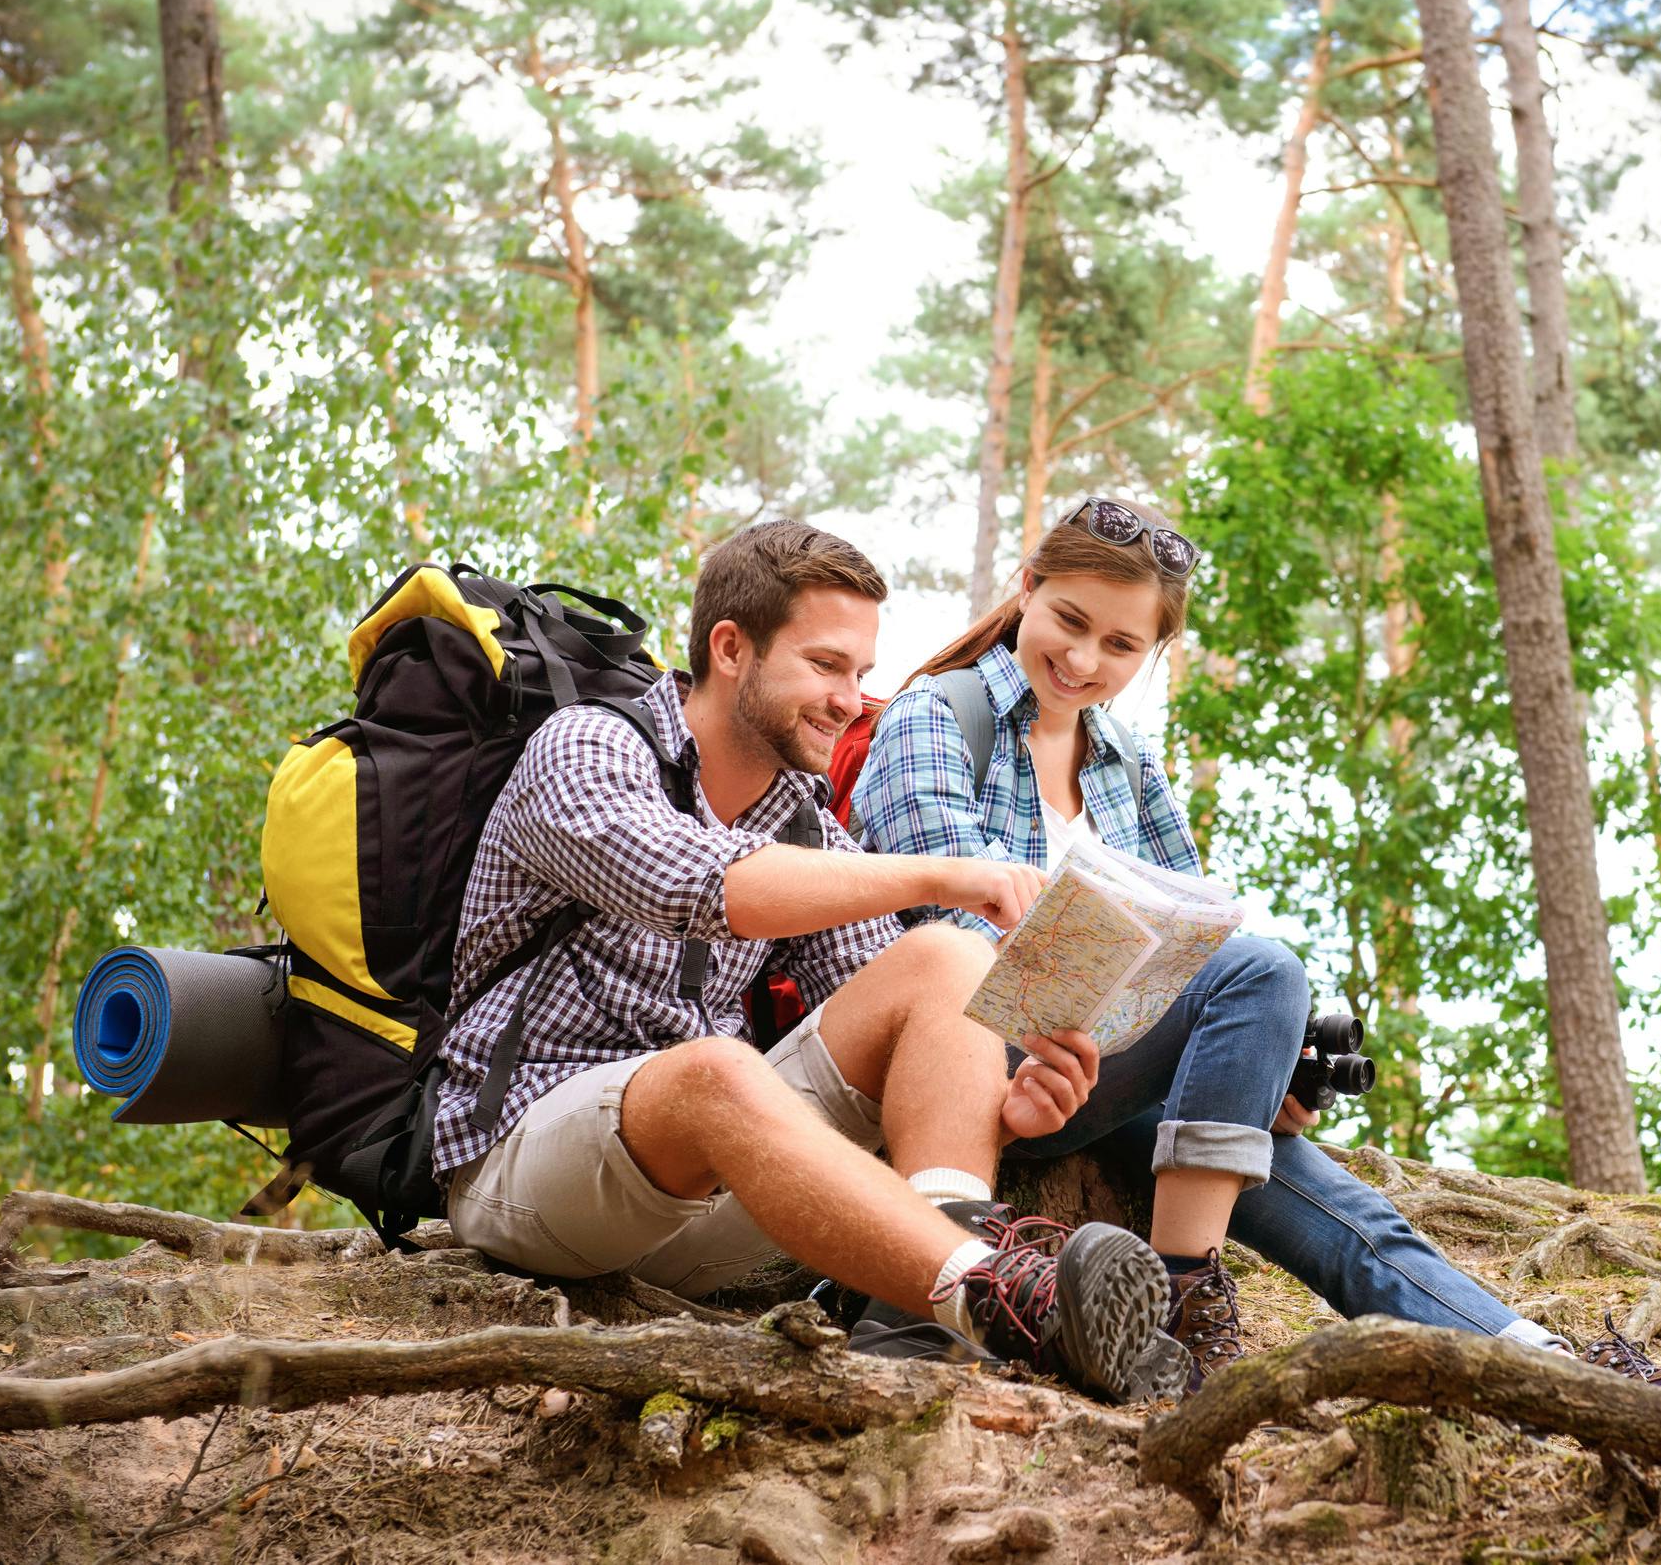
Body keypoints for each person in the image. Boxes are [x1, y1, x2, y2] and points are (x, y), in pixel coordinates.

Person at [854, 496, 1661, 1406]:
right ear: (1026, 586)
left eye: (1121, 644)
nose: (1083, 656)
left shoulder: (1128, 765)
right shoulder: (937, 719)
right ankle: (1184, 1300)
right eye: (1068, 619)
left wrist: (1261, 1065)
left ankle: (1561, 1370)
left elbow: (1190, 933)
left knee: (1341, 1204)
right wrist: (1222, 1017)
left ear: (1154, 652)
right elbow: (949, 948)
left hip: (1108, 1072)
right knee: (1264, 969)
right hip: (982, 1079)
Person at [429, 519, 1176, 1404]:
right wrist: (941, 871)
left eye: (861, 674)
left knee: (946, 957)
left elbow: (903, 1027)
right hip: (527, 1172)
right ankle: (1001, 1300)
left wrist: (1006, 1108)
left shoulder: (801, 821)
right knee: (712, 1070)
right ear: (731, 647)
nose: (850, 699)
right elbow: (696, 884)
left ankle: (927, 1321)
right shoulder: (588, 749)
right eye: (826, 666)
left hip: (713, 1192)